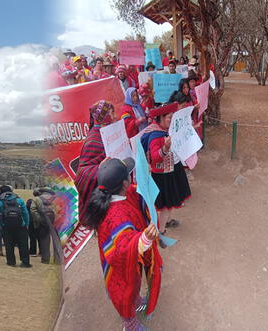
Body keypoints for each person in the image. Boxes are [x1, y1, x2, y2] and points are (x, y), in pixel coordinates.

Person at [81, 157, 162, 331]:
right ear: (125, 183)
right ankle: (130, 324)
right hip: (120, 266)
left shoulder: (113, 196)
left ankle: (136, 301)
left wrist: (146, 178)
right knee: (124, 292)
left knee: (133, 284)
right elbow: (122, 250)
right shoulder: (116, 216)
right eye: (130, 175)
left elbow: (138, 192)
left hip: (125, 262)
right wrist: (145, 239)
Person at [141, 103, 191, 238]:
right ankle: (161, 232)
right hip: (162, 176)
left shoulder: (164, 130)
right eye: (169, 117)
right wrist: (165, 149)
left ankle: (168, 221)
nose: (171, 120)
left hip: (170, 170)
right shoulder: (155, 135)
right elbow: (155, 158)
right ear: (161, 118)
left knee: (171, 200)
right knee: (166, 204)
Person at [75, 100, 115, 221]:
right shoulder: (93, 139)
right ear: (105, 116)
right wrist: (99, 168)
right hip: (99, 187)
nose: (115, 116)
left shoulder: (107, 132)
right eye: (112, 113)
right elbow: (83, 171)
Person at [0, 185, 31, 268]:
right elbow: (25, 213)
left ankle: (11, 261)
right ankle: (25, 262)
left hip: (6, 226)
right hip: (20, 225)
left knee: (9, 244)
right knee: (23, 244)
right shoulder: (19, 200)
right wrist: (26, 223)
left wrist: (0, 224)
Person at [34, 187, 56, 264]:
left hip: (43, 221)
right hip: (55, 220)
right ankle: (58, 260)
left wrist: (39, 219)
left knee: (44, 240)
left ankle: (45, 259)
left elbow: (33, 210)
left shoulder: (37, 199)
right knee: (57, 241)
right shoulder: (55, 198)